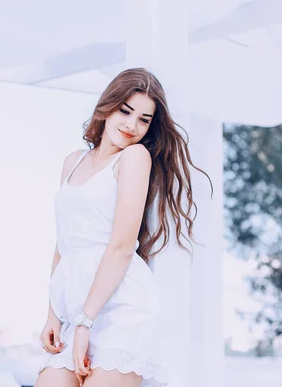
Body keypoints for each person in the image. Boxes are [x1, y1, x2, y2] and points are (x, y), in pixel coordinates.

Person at [35, 68, 212, 387]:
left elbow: (121, 246)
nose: (132, 125)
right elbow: (63, 245)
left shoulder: (134, 157)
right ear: (107, 106)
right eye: (126, 111)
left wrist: (85, 323)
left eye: (144, 119)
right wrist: (53, 314)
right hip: (75, 313)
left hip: (120, 311)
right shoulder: (72, 162)